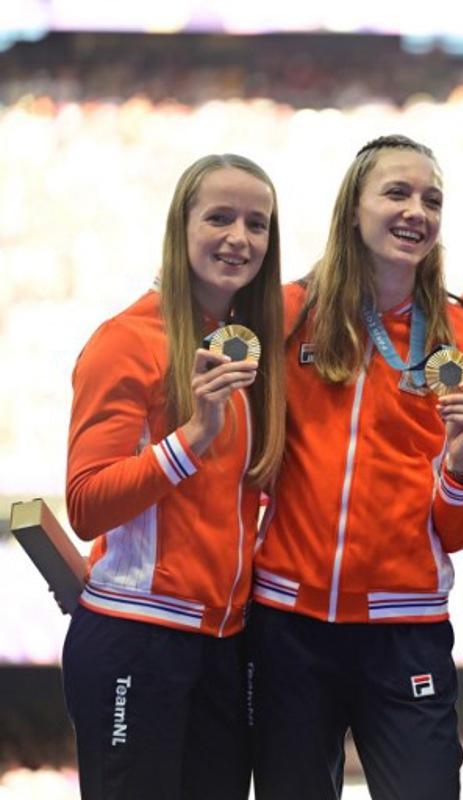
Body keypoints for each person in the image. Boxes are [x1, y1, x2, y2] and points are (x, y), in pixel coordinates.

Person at [248, 134, 463, 800]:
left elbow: (462, 528)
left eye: (432, 199)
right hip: (289, 622)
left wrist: (461, 463)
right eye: (397, 192)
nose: (417, 210)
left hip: (405, 630)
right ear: (352, 208)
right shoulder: (289, 313)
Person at [63, 153, 286, 799]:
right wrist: (193, 438)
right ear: (180, 227)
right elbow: (86, 504)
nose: (239, 238)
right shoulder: (126, 341)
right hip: (137, 637)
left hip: (223, 644)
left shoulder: (246, 346)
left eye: (257, 223)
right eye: (219, 217)